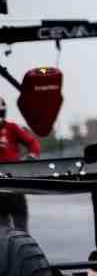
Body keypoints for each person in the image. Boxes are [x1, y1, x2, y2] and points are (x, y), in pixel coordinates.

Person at [0, 97, 41, 230]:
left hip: (14, 183)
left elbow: (32, 142)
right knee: (2, 230)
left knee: (21, 228)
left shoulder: (11, 128)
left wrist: (32, 155)